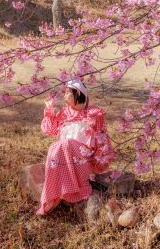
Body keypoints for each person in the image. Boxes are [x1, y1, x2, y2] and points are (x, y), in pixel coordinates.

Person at [36, 79, 115, 215]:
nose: (64, 96)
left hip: (83, 162)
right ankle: (54, 194)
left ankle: (75, 190)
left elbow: (103, 139)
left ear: (78, 94)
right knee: (54, 147)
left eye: (68, 93)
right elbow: (50, 130)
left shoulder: (94, 114)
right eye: (65, 93)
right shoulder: (65, 113)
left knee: (65, 143)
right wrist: (50, 110)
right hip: (64, 160)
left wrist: (98, 164)